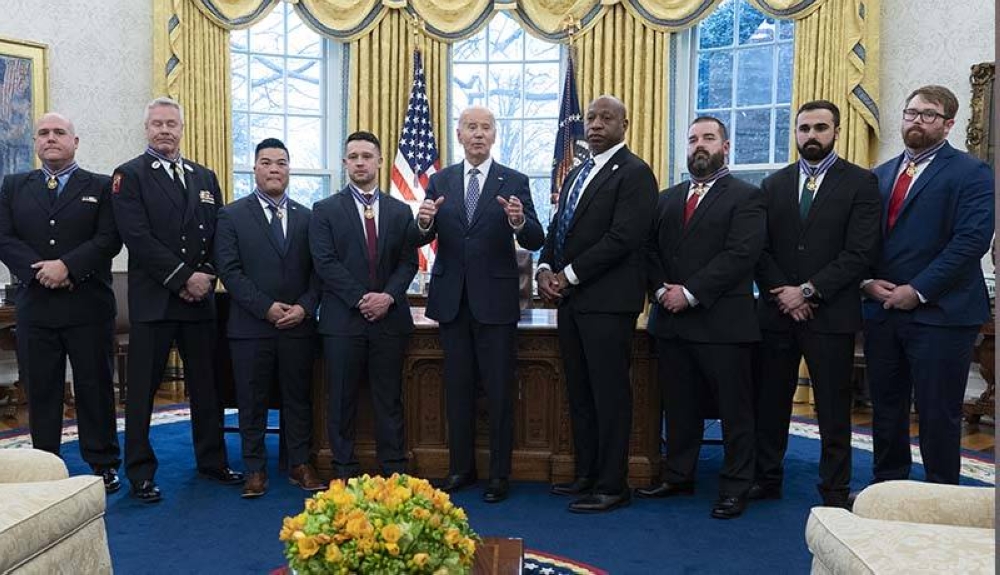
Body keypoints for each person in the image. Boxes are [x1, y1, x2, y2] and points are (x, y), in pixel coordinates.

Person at [112, 97, 243, 503]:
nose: (164, 130)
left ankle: (212, 461)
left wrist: (206, 277)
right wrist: (185, 277)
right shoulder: (128, 176)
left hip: (199, 303)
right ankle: (140, 473)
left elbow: (219, 236)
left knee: (207, 389)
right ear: (146, 129)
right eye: (157, 124)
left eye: (171, 123)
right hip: (155, 303)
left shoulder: (204, 176)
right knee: (142, 393)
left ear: (182, 128)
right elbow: (138, 238)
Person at [752, 100, 881, 508]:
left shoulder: (861, 183)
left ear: (836, 132)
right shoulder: (773, 184)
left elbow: (860, 253)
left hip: (831, 314)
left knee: (832, 407)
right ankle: (766, 478)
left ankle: (835, 489)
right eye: (804, 128)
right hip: (776, 314)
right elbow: (759, 250)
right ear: (795, 132)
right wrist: (784, 294)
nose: (811, 135)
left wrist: (806, 291)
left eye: (820, 128)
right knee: (770, 403)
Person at [863, 85, 994, 485]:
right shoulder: (880, 175)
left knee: (938, 412)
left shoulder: (972, 173)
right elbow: (862, 240)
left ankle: (940, 498)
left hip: (942, 314)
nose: (917, 120)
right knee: (886, 408)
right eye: (911, 112)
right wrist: (867, 281)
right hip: (882, 311)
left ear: (949, 124)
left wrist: (916, 290)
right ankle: (888, 489)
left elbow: (971, 242)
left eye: (929, 114)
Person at [637, 116, 764, 520]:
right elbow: (648, 251)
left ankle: (735, 486)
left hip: (722, 323)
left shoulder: (747, 196)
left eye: (708, 138)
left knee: (735, 410)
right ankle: (678, 475)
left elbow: (741, 255)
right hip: (671, 322)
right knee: (679, 405)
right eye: (692, 139)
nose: (699, 145)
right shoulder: (666, 198)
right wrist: (660, 291)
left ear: (725, 146)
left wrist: (688, 294)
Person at [416, 106, 544, 503]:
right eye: (471, 127)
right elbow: (421, 235)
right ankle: (461, 469)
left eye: (485, 128)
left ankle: (499, 475)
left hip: (497, 304)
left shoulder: (515, 181)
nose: (477, 134)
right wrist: (422, 222)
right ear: (459, 134)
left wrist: (520, 222)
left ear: (494, 135)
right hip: (453, 302)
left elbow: (536, 240)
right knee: (458, 390)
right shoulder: (440, 180)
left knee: (499, 391)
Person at [536, 95, 658, 514]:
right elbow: (559, 227)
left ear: (625, 124)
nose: (596, 124)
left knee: (609, 396)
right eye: (591, 117)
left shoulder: (636, 174)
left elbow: (623, 238)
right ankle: (586, 474)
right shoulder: (577, 172)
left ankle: (612, 485)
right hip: (573, 305)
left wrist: (566, 276)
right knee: (580, 393)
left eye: (607, 118)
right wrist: (544, 268)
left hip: (608, 304)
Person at [0, 113, 122, 492]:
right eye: (43, 133)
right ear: (36, 143)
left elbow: (109, 239)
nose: (51, 138)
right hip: (36, 307)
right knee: (41, 389)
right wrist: (41, 271)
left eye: (59, 132)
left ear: (75, 141)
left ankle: (102, 462)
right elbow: (4, 238)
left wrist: (67, 267)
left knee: (94, 387)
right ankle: (46, 463)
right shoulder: (14, 185)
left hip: (88, 306)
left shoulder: (101, 186)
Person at [214, 138, 323, 498]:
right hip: (251, 327)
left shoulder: (309, 218)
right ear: (255, 169)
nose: (274, 169)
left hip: (298, 326)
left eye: (281, 163)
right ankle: (255, 469)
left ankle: (299, 464)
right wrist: (266, 307)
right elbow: (229, 271)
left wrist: (305, 307)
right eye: (266, 163)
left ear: (289, 170)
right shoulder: (231, 215)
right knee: (252, 400)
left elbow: (318, 272)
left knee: (297, 399)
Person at [310, 131, 418, 480]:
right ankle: (343, 469)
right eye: (353, 156)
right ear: (345, 163)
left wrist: (386, 297)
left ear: (379, 161)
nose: (360, 162)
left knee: (389, 400)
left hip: (389, 321)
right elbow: (325, 263)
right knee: (341, 400)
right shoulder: (324, 210)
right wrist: (361, 299)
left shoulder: (401, 211)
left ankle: (394, 470)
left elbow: (408, 262)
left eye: (366, 156)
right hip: (343, 322)